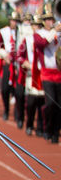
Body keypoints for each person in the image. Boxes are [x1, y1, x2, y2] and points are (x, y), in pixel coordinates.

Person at [39, 11, 60, 144]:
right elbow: (41, 44)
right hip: (46, 73)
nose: (50, 21)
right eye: (47, 19)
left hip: (59, 73)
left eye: (51, 19)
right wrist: (54, 32)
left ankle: (56, 132)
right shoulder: (39, 34)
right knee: (51, 103)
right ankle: (48, 128)